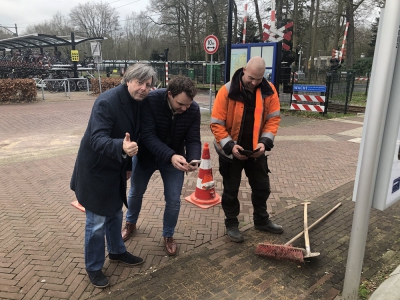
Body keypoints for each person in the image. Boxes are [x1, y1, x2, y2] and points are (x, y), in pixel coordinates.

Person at [70, 63, 157, 288]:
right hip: (96, 169)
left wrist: (127, 163)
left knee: (115, 213)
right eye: (139, 83)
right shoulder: (107, 102)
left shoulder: (140, 102)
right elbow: (96, 139)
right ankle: (94, 266)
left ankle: (117, 251)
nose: (144, 88)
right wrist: (122, 147)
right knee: (96, 220)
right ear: (128, 80)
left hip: (117, 166)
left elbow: (133, 135)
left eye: (148, 85)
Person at [121, 75, 201, 256]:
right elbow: (147, 136)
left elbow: (193, 138)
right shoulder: (151, 101)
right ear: (170, 95)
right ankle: (130, 223)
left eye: (188, 104)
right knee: (136, 192)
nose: (185, 108)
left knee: (173, 200)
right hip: (146, 156)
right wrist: (171, 155)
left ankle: (168, 235)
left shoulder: (192, 109)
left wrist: (194, 159)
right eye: (181, 104)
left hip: (174, 160)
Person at [210, 56, 283, 243]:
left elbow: (273, 119)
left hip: (256, 151)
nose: (254, 82)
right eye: (251, 78)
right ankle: (232, 224)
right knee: (231, 190)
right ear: (244, 70)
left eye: (258, 79)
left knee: (262, 187)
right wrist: (230, 146)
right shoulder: (226, 91)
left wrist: (264, 143)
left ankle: (261, 220)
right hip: (231, 152)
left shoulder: (269, 90)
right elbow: (216, 124)